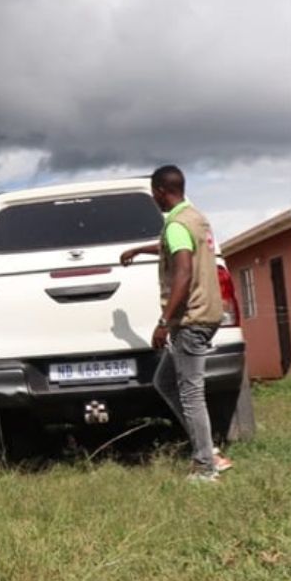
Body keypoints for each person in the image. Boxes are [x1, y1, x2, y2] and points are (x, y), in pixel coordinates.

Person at [119, 165, 231, 483]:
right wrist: (140, 249)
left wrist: (164, 322)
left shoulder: (175, 225)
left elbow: (182, 271)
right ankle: (207, 450)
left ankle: (205, 467)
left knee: (190, 394)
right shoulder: (196, 218)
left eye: (154, 196)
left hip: (190, 319)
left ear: (159, 192)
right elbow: (178, 249)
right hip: (207, 314)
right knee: (164, 381)